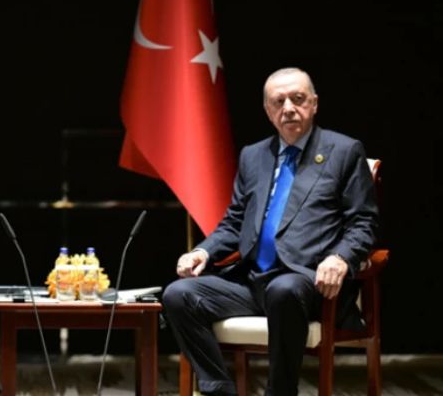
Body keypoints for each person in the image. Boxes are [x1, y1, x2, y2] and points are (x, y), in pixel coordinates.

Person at [162, 67, 378, 396]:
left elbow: (363, 222)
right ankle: (219, 390)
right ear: (267, 110)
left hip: (307, 281)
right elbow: (235, 221)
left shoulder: (344, 151)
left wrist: (340, 257)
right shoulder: (254, 155)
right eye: (279, 101)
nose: (288, 108)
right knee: (178, 296)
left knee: (283, 290)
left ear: (314, 103)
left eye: (298, 99)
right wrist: (202, 251)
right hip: (252, 281)